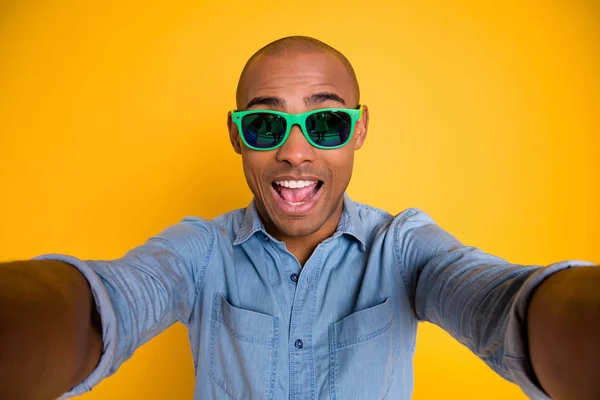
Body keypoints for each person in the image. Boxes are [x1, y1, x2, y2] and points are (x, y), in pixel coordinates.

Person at [0, 36, 598, 400]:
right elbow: (103, 311)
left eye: (326, 122)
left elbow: (505, 303)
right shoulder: (200, 251)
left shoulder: (404, 247)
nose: (294, 150)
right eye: (265, 123)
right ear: (237, 137)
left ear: (358, 130)